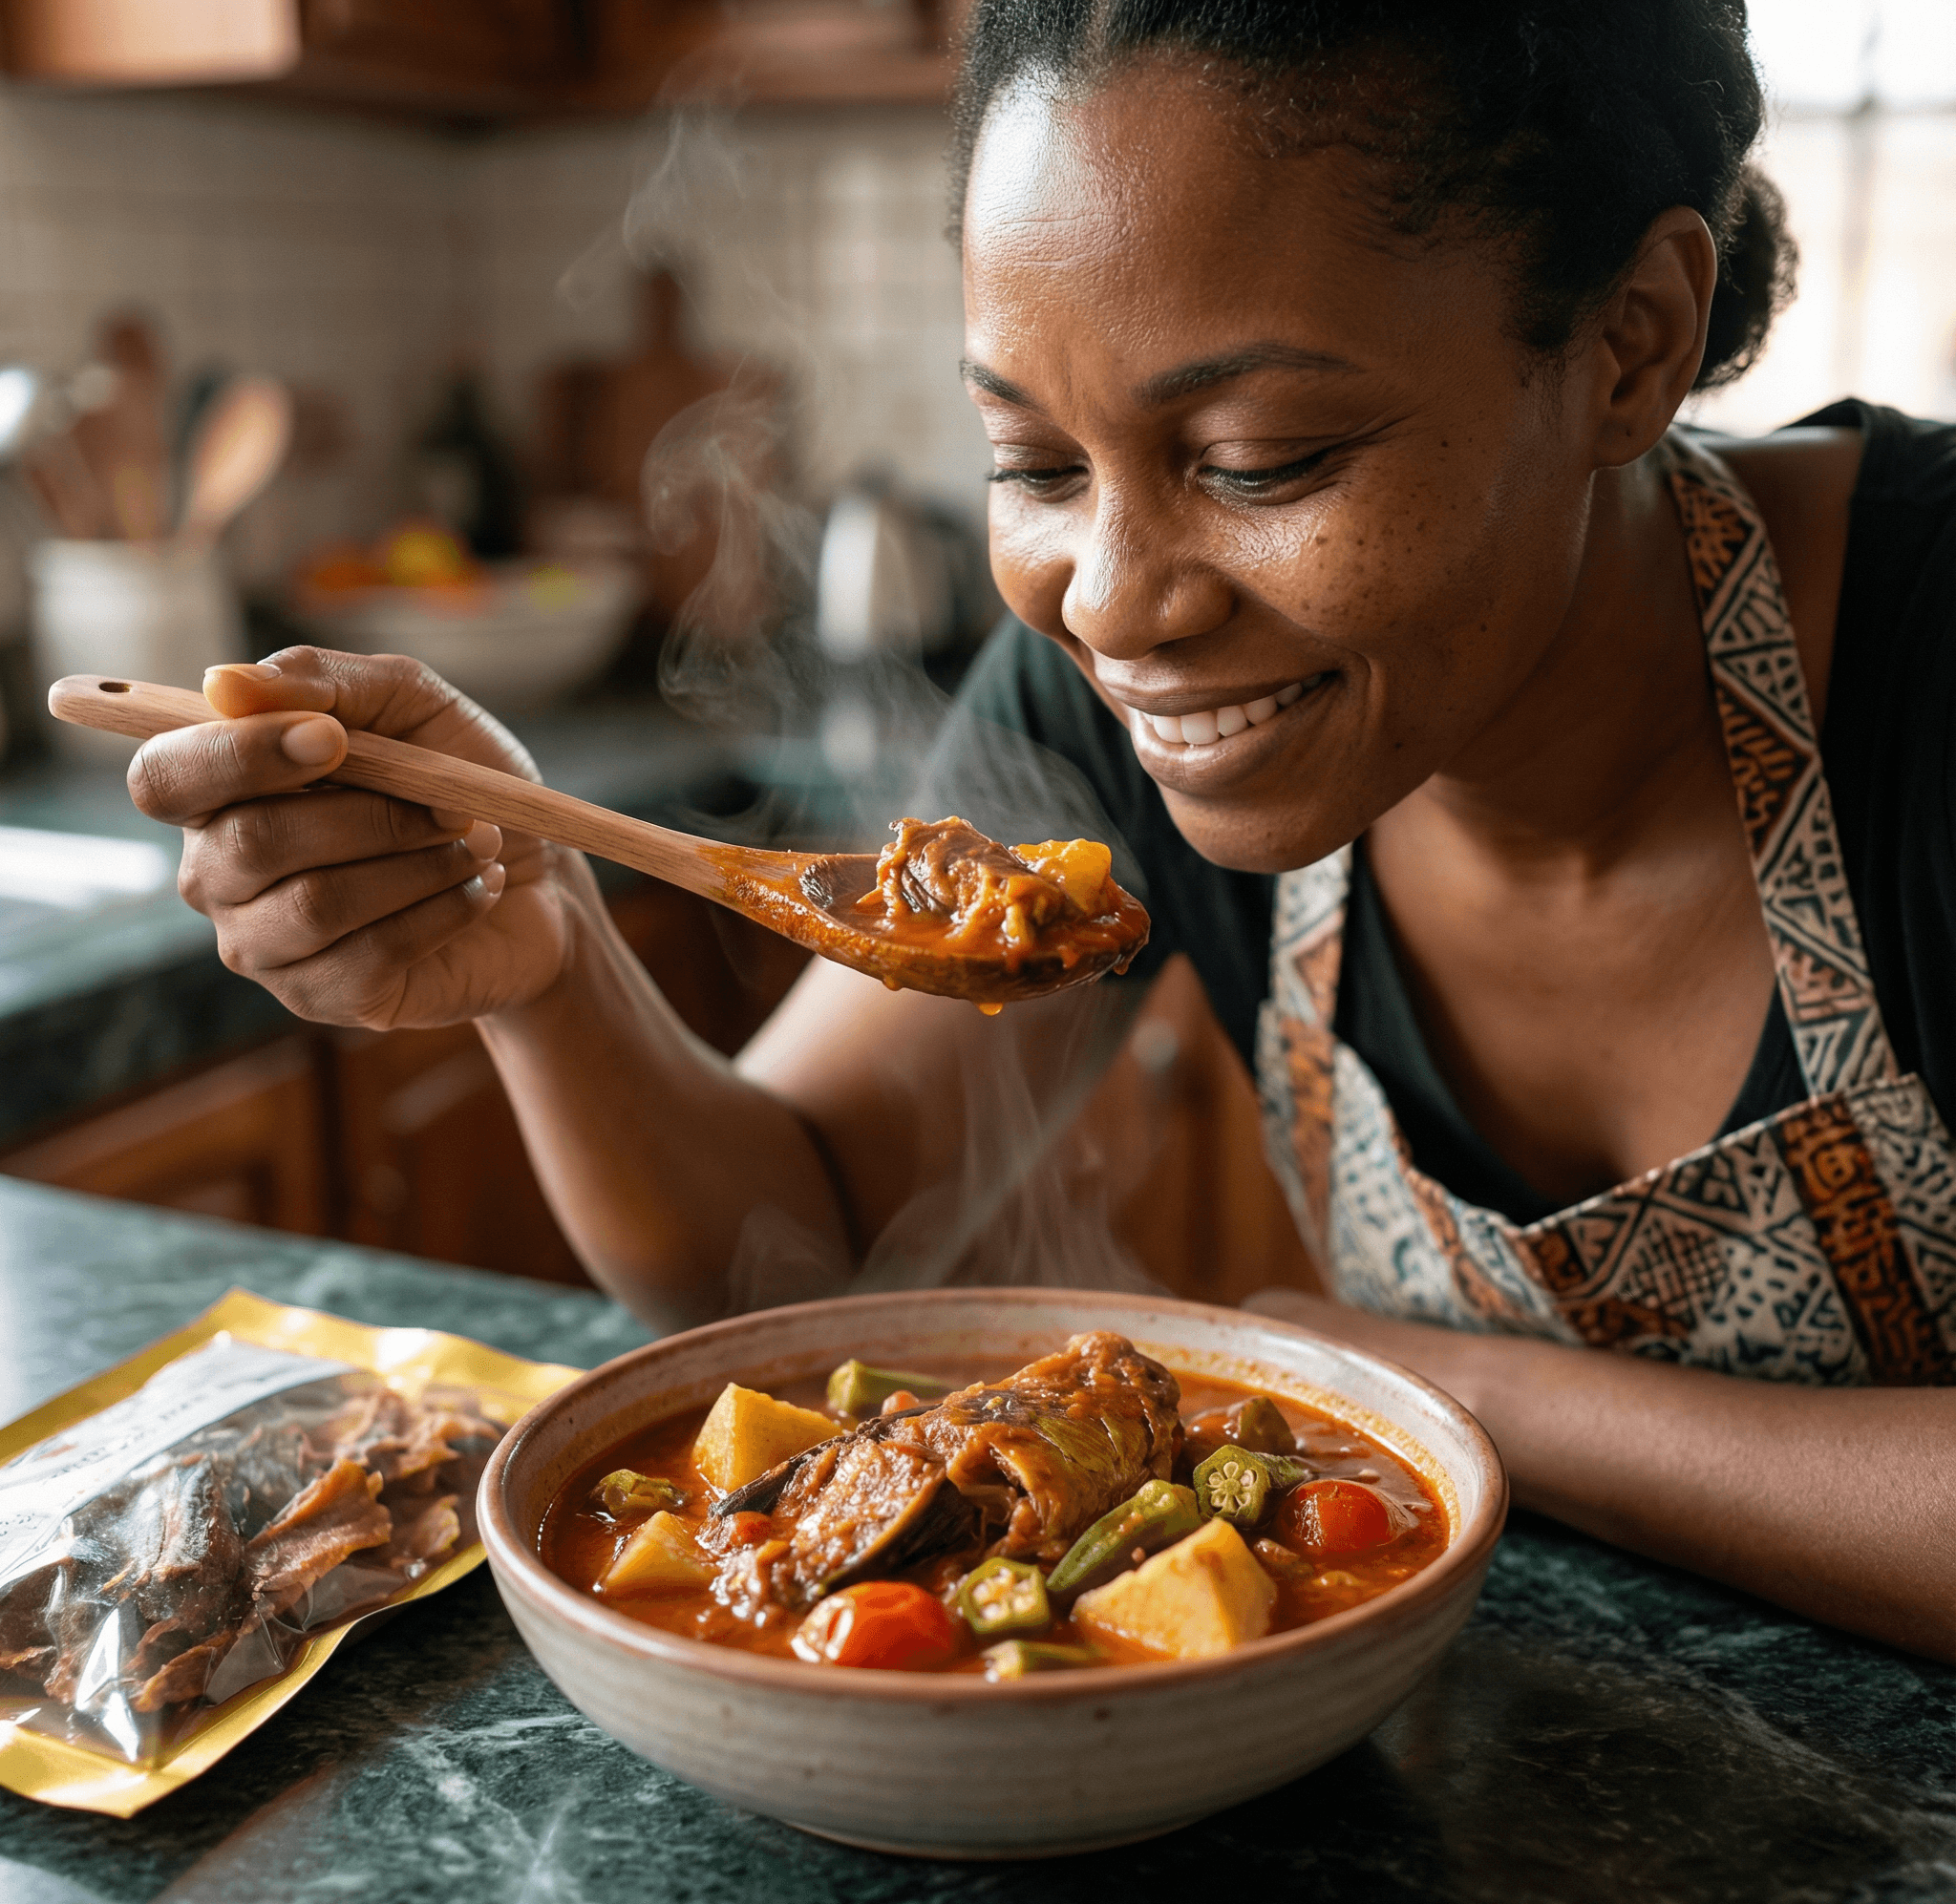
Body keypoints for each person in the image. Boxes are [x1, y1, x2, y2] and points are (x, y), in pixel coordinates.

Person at [123, 1, 1956, 1661]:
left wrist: (1427, 1388)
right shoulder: (1131, 703)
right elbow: (810, 1230)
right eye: (1034, 464)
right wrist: (543, 954)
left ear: (1627, 346)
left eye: (1256, 462)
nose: (1117, 603)